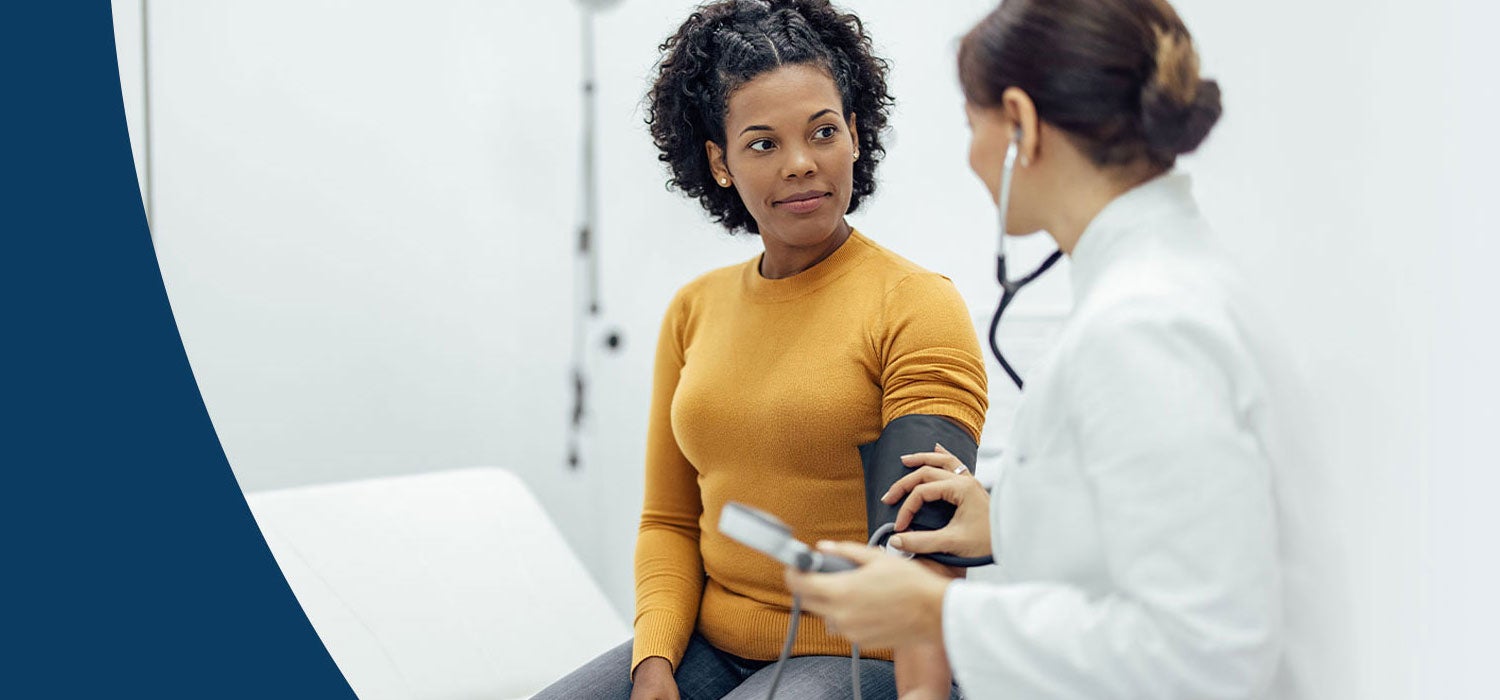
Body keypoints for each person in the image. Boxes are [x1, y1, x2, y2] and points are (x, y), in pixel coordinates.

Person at [786, 0, 1306, 698]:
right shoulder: (1161, 288)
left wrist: (937, 611)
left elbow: (1207, 652)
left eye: (974, 126)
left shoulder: (1143, 327)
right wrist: (1010, 519)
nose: (970, 156)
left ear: (1021, 126)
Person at [533, 1, 987, 698]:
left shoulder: (916, 305)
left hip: (865, 658)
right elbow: (668, 519)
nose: (801, 164)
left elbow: (920, 555)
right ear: (719, 162)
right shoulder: (695, 310)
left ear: (856, 135)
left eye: (823, 131)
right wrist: (653, 665)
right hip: (711, 646)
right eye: (763, 143)